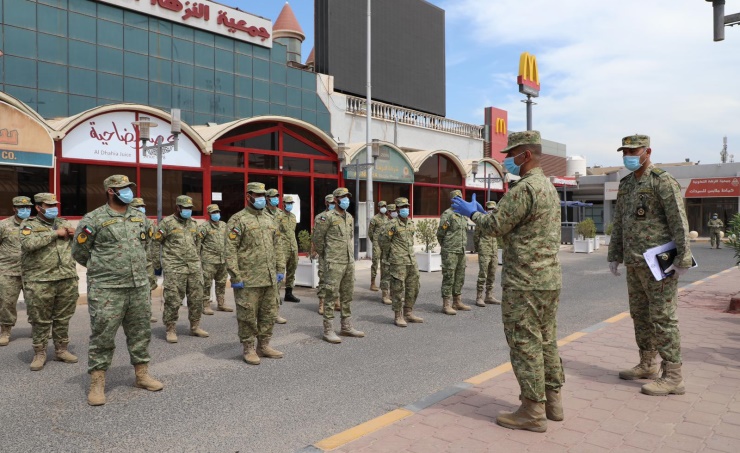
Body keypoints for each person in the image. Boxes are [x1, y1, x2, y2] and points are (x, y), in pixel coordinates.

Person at [452, 130, 564, 432]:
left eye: (511, 156)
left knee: (524, 344)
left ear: (525, 155)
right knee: (546, 340)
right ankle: (553, 401)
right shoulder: (548, 187)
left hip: (525, 281)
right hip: (548, 279)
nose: (507, 163)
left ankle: (532, 411)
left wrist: (473, 214)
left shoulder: (524, 189)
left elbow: (495, 226)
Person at [608, 134, 691, 397]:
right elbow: (620, 222)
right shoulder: (626, 185)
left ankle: (673, 376)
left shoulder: (662, 181)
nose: (629, 156)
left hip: (659, 262)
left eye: (634, 150)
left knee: (663, 318)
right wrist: (614, 254)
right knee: (641, 316)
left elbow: (679, 220)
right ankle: (647, 364)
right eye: (625, 151)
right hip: (635, 262)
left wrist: (684, 258)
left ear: (648, 151)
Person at [72, 175, 163, 406]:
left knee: (140, 332)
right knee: (103, 335)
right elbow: (80, 252)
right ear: (111, 191)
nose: (129, 192)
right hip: (107, 289)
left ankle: (141, 375)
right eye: (123, 188)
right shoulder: (93, 219)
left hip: (138, 286)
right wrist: (104, 270)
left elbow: (146, 246)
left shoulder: (139, 217)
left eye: (130, 188)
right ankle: (97, 381)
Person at [225, 182, 286, 365]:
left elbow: (278, 245)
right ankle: (249, 348)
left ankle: (264, 345)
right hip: (248, 279)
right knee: (247, 316)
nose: (260, 198)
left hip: (269, 277)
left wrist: (280, 268)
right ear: (248, 196)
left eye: (262, 195)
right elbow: (230, 249)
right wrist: (235, 275)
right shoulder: (238, 220)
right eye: (256, 195)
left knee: (269, 313)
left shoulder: (270, 219)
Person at [20, 193, 79, 371]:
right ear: (38, 207)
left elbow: (82, 244)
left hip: (66, 277)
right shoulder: (28, 224)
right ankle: (40, 352)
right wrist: (54, 234)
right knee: (40, 319)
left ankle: (61, 350)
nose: (53, 208)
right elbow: (28, 244)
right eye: (49, 205)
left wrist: (76, 235)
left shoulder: (64, 222)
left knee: (63, 317)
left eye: (55, 205)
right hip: (40, 280)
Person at [312, 188, 365, 343]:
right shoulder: (325, 217)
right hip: (333, 262)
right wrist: (328, 255)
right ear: (335, 199)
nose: (345, 200)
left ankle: (346, 326)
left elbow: (348, 238)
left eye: (347, 197)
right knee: (330, 296)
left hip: (348, 262)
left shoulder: (348, 217)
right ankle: (328, 330)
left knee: (347, 295)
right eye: (342, 197)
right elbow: (318, 239)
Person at [154, 195, 209, 343]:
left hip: (194, 266)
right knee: (173, 299)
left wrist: (198, 260)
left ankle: (195, 326)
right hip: (174, 267)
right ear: (177, 208)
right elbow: (155, 242)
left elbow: (197, 243)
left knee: (197, 298)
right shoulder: (166, 223)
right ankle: (170, 329)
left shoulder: (193, 223)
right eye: (185, 208)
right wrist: (157, 264)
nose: (188, 211)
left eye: (190, 208)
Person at [380, 197, 423, 327]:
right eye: (403, 207)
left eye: (407, 206)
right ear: (397, 209)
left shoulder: (410, 223)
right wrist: (391, 255)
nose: (405, 209)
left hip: (411, 260)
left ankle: (408, 312)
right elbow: (383, 241)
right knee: (397, 289)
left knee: (414, 287)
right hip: (398, 261)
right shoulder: (391, 224)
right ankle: (398, 315)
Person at [0, 196, 33, 346]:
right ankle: (5, 331)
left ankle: (38, 329)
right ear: (14, 208)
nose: (25, 210)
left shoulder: (35, 224)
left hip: (32, 271)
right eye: (21, 208)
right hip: (8, 271)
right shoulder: (4, 225)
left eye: (28, 208)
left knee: (35, 303)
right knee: (6, 303)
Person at [437, 190, 471, 315]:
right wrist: (446, 246)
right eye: (456, 198)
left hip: (461, 250)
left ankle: (457, 302)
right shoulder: (448, 214)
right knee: (449, 277)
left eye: (460, 198)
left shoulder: (463, 215)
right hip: (450, 251)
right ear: (452, 200)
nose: (458, 200)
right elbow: (440, 233)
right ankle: (446, 304)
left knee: (460, 276)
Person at [130, 197, 161, 323]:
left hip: (147, 261)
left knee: (147, 288)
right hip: (132, 262)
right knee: (132, 289)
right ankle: (131, 315)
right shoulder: (127, 223)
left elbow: (154, 242)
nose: (141, 208)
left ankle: (147, 314)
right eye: (138, 207)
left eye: (142, 206)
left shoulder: (149, 223)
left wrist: (155, 261)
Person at [198, 204, 233, 315]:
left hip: (223, 260)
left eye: (217, 212)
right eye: (213, 213)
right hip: (209, 260)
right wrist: (198, 257)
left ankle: (221, 303)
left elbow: (229, 240)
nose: (216, 214)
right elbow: (198, 242)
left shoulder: (224, 225)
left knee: (221, 282)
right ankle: (206, 304)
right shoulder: (204, 227)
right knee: (207, 283)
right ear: (209, 214)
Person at [264, 188, 287, 325]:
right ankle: (263, 314)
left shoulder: (280, 213)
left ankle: (275, 313)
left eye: (277, 197)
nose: (276, 199)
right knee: (265, 287)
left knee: (277, 286)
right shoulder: (262, 213)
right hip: (265, 252)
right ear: (267, 198)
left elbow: (284, 231)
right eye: (273, 197)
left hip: (278, 251)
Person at [474, 200, 502, 306]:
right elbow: (476, 236)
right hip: (484, 249)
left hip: (494, 249)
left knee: (492, 273)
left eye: (493, 210)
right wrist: (478, 248)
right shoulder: (482, 220)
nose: (491, 212)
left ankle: (489, 295)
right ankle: (479, 297)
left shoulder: (496, 221)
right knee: (483, 274)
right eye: (489, 209)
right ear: (486, 209)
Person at [311, 194, 335, 315]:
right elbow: (316, 235)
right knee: (323, 277)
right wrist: (314, 250)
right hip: (324, 252)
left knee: (336, 278)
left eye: (334, 202)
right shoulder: (320, 217)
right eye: (330, 202)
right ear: (326, 203)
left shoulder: (340, 217)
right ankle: (322, 302)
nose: (332, 205)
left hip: (337, 253)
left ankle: (335, 301)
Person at [280, 195, 300, 303]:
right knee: (280, 271)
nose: (290, 205)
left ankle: (289, 293)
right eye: (288, 203)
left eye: (291, 203)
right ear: (283, 204)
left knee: (292, 271)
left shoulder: (293, 217)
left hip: (293, 247)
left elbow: (292, 232)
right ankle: (275, 296)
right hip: (283, 247)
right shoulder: (278, 216)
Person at [367, 200, 388, 292]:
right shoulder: (374, 219)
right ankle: (372, 283)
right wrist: (374, 241)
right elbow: (370, 232)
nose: (383, 208)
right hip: (377, 242)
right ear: (378, 208)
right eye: (381, 206)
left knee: (384, 263)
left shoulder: (387, 218)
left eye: (385, 206)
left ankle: (382, 283)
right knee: (375, 262)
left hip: (385, 243)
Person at [379, 203, 396, 305]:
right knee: (386, 275)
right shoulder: (385, 224)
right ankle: (385, 295)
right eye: (393, 211)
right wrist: (386, 250)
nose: (395, 213)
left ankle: (393, 294)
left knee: (395, 275)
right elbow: (380, 240)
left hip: (396, 254)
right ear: (389, 212)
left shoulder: (397, 223)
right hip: (387, 253)